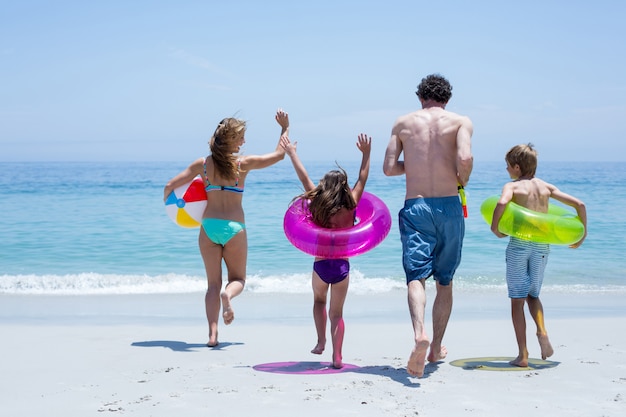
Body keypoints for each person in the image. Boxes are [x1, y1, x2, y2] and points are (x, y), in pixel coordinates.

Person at [163, 109, 290, 347]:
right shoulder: (243, 164)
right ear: (232, 139)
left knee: (212, 284)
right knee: (238, 279)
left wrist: (174, 211)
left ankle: (212, 334)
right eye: (241, 137)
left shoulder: (203, 164)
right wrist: (284, 128)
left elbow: (170, 186)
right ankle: (228, 296)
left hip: (208, 227)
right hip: (234, 227)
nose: (244, 141)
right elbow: (279, 156)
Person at [383, 74, 474, 377]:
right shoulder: (461, 121)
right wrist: (462, 178)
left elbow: (388, 168)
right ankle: (435, 347)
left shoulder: (403, 123)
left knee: (416, 277)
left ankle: (419, 333)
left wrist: (418, 163)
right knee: (444, 281)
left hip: (416, 205)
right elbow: (465, 156)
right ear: (447, 99)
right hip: (449, 205)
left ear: (420, 97)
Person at [490, 143, 587, 367]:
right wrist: (581, 235)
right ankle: (542, 332)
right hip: (542, 246)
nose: (506, 170)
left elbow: (502, 202)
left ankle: (523, 355)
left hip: (519, 244)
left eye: (507, 166)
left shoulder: (512, 187)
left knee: (517, 301)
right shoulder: (546, 188)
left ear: (516, 167)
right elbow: (580, 204)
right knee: (533, 295)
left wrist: (496, 228)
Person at [282, 133, 371, 369]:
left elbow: (304, 177)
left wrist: (292, 152)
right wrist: (366, 154)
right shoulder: (352, 202)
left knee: (319, 301)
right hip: (342, 265)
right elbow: (362, 179)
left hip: (321, 264)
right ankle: (337, 356)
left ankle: (320, 341)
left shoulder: (318, 201)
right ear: (343, 186)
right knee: (337, 313)